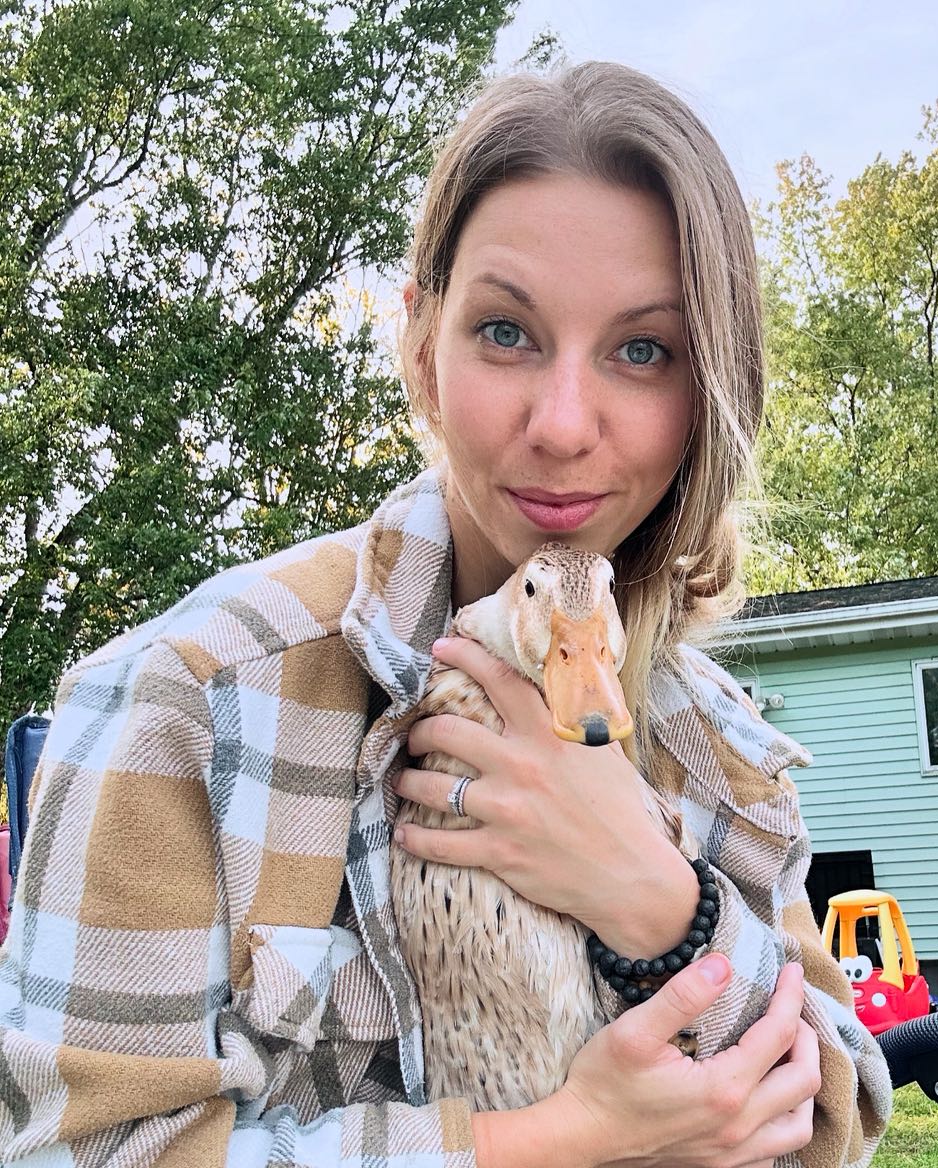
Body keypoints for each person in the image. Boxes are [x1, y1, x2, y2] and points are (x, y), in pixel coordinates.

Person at [0, 61, 891, 1167]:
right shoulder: (191, 696)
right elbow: (78, 1153)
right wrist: (549, 1140)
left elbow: (835, 1117)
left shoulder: (717, 739)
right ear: (423, 345)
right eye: (507, 332)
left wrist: (662, 903)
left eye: (642, 350)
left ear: (712, 388)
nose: (563, 424)